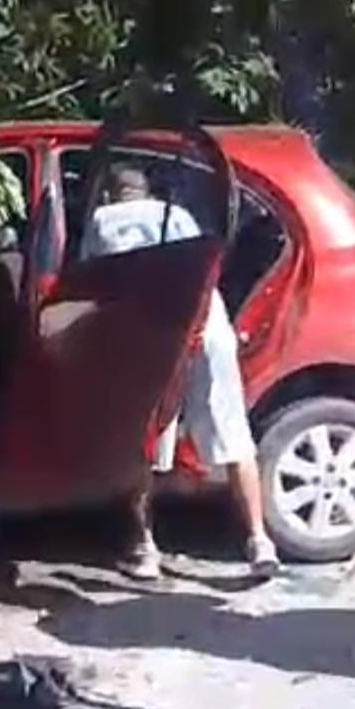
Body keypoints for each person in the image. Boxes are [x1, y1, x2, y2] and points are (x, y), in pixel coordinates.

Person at [80, 163, 280, 581]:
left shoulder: (102, 219)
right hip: (207, 329)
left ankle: (144, 549)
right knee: (233, 435)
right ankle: (260, 543)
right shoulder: (182, 217)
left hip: (153, 341)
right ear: (147, 192)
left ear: (108, 195)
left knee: (144, 444)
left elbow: (91, 284)